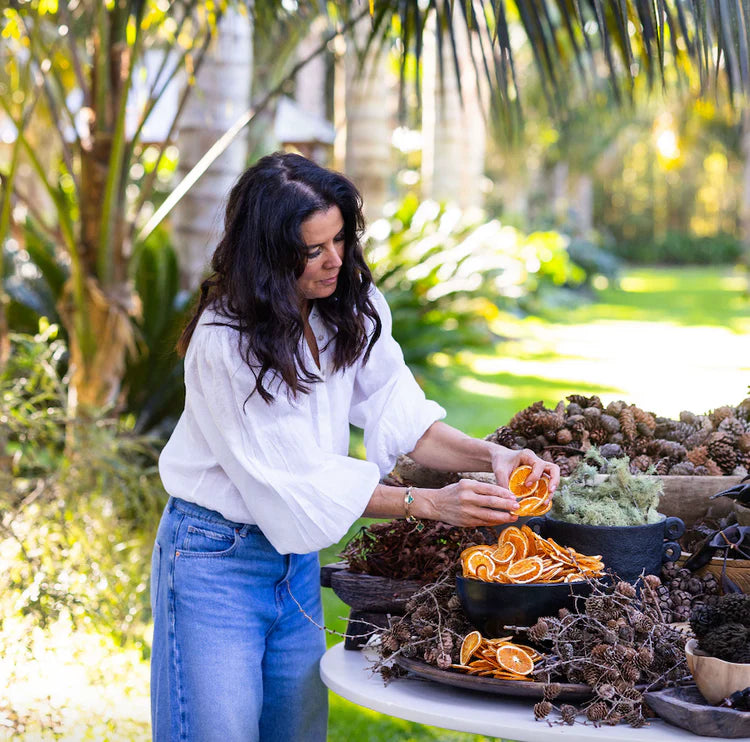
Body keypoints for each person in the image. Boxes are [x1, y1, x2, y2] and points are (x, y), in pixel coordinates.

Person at [150, 151, 560, 742]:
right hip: (215, 562)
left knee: (295, 734)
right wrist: (430, 505)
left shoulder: (350, 307)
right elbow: (296, 480)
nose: (335, 260)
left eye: (340, 239)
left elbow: (403, 417)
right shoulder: (224, 344)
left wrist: (490, 456)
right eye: (312, 250)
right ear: (266, 258)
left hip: (293, 563)